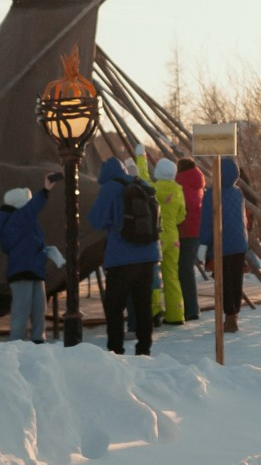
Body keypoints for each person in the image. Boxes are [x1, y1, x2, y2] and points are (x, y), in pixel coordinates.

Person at [87, 157, 160, 355]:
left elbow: (95, 220)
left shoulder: (110, 188)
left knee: (115, 306)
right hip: (148, 254)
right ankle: (144, 349)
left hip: (121, 258)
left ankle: (115, 349)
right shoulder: (141, 184)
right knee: (143, 305)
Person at [0, 178, 56, 343]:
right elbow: (34, 206)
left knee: (37, 308)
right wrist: (45, 190)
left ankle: (34, 339)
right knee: (25, 310)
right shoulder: (19, 218)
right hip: (25, 270)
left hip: (32, 269)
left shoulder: (21, 222)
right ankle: (19, 342)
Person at [137, 150, 188, 325]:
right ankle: (176, 314)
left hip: (157, 236)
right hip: (174, 238)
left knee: (154, 276)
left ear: (158, 173)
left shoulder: (154, 189)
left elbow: (142, 177)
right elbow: (182, 215)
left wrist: (141, 158)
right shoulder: (179, 191)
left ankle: (155, 310)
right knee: (172, 276)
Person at [215, 156, 250, 331]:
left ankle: (229, 316)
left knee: (224, 281)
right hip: (239, 243)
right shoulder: (238, 192)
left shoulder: (213, 193)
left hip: (223, 244)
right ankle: (233, 314)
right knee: (236, 280)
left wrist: (205, 243)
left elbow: (208, 221)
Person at [175, 157, 207, 321]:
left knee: (184, 270)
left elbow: (181, 208)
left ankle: (191, 308)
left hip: (185, 232)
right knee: (185, 269)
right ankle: (189, 307)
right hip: (196, 231)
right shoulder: (197, 184)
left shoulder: (181, 185)